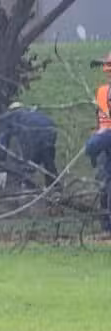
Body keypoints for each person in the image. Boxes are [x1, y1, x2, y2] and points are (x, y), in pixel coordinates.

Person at [0, 102, 59, 190]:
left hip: (33, 132)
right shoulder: (30, 112)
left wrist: (0, 165)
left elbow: (3, 141)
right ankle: (54, 188)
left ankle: (26, 186)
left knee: (28, 162)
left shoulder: (12, 117)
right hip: (50, 129)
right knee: (47, 160)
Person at [85, 51, 111, 234]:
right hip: (105, 140)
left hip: (105, 138)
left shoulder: (103, 91)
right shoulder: (102, 91)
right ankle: (106, 224)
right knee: (104, 181)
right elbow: (99, 117)